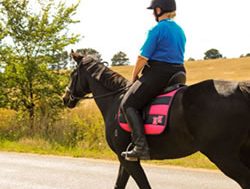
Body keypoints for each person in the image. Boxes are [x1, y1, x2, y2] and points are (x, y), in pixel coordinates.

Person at [120, 0, 186, 161]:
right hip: (179, 73)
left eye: (153, 10)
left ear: (158, 9)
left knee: (128, 104)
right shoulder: (180, 30)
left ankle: (140, 147)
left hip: (159, 74)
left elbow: (143, 57)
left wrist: (135, 76)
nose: (152, 13)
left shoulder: (157, 29)